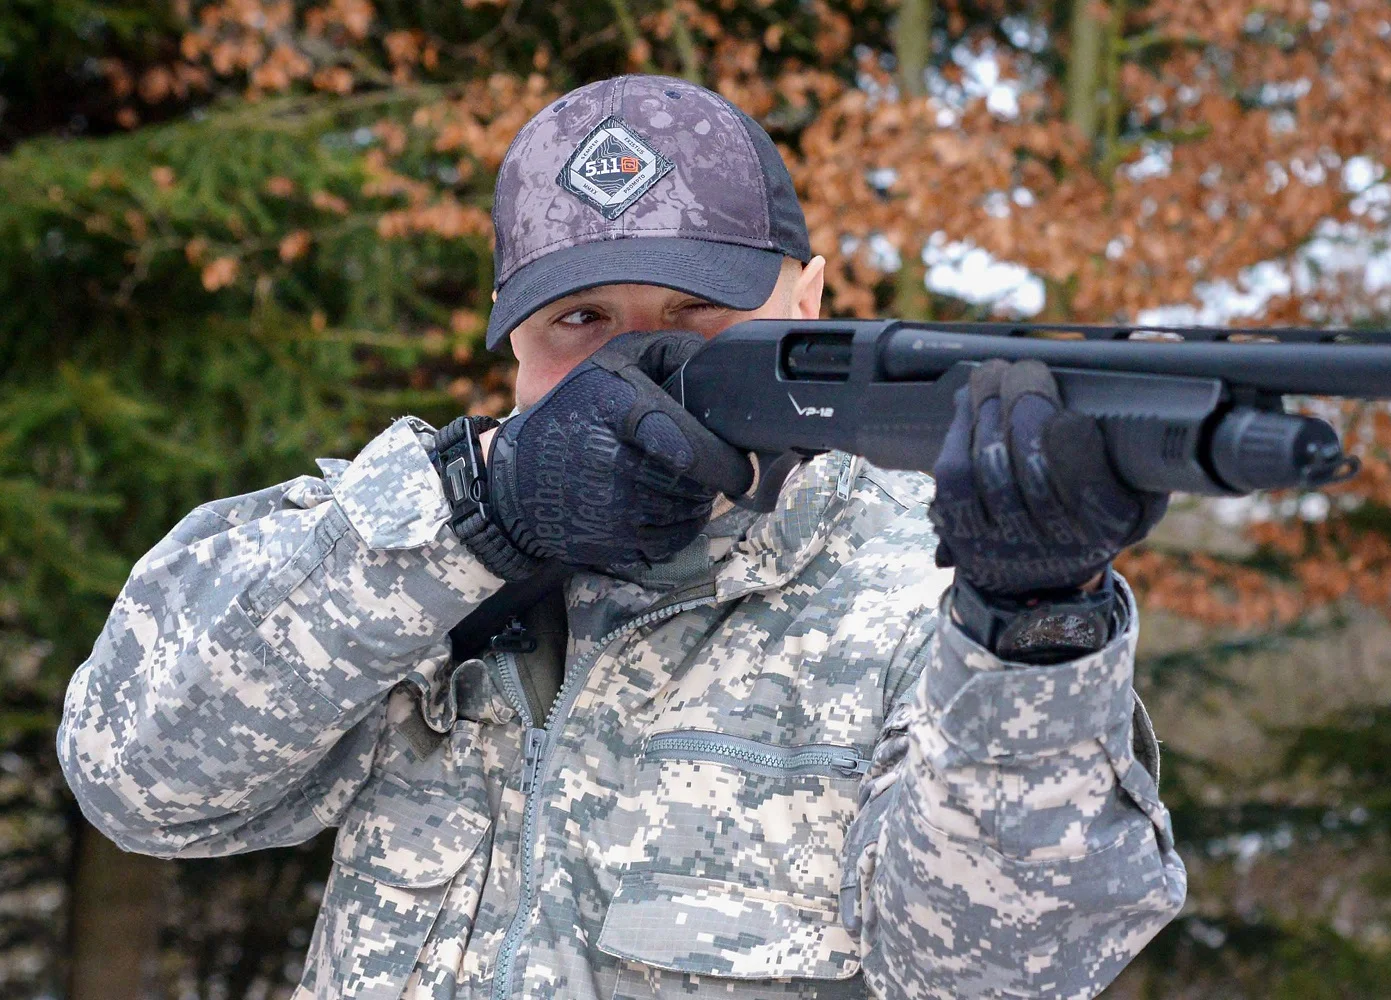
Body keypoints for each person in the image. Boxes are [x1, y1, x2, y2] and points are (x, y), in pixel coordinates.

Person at [56, 75, 1185, 1000]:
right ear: (512, 343)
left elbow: (995, 977)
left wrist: (1032, 636)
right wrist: (477, 515)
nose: (640, 370)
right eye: (580, 321)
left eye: (698, 314)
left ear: (810, 302)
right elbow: (138, 781)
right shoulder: (415, 554)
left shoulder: (915, 592)